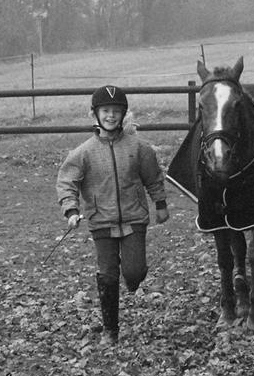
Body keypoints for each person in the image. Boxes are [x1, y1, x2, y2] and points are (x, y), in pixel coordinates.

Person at [56, 85, 169, 345]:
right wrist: (71, 209)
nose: (111, 116)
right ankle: (110, 330)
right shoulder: (83, 153)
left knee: (134, 271)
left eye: (116, 111)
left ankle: (132, 278)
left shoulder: (139, 148)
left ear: (123, 115)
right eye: (106, 111)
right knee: (108, 275)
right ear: (94, 114)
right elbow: (67, 182)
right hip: (101, 221)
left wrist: (160, 203)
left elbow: (153, 177)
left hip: (133, 219)